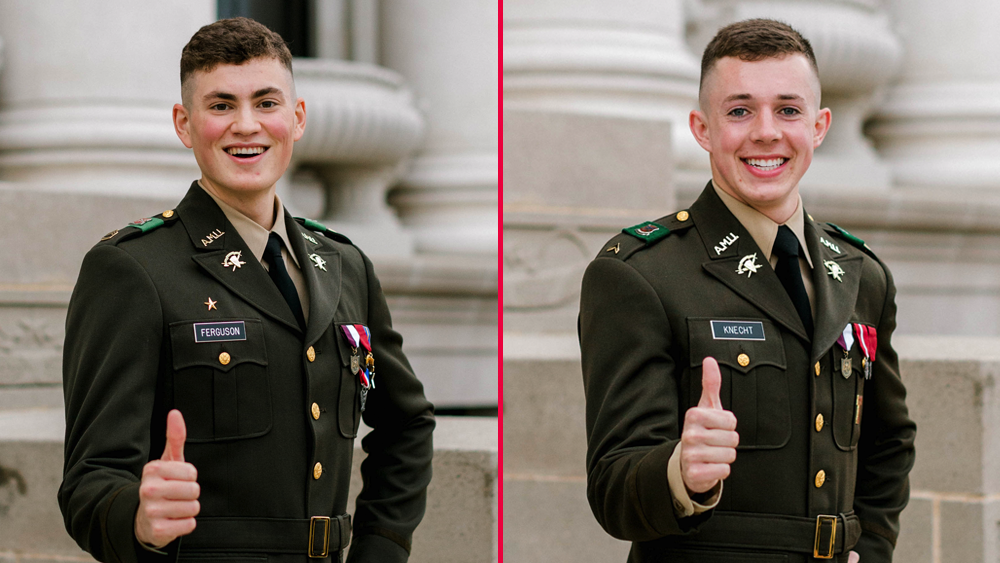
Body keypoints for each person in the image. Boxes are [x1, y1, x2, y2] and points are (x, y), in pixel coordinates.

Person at [59, 17, 434, 563]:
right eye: (220, 106)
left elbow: (404, 423)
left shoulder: (346, 267)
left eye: (266, 102)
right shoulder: (132, 271)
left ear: (297, 117)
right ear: (184, 125)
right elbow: (90, 480)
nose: (246, 125)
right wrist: (139, 519)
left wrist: (381, 546)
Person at [579, 19, 915, 563]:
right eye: (739, 111)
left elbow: (888, 444)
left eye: (788, 110)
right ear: (702, 129)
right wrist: (682, 473)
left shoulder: (860, 274)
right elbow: (613, 488)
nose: (765, 132)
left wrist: (870, 549)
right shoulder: (641, 273)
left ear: (819, 125)